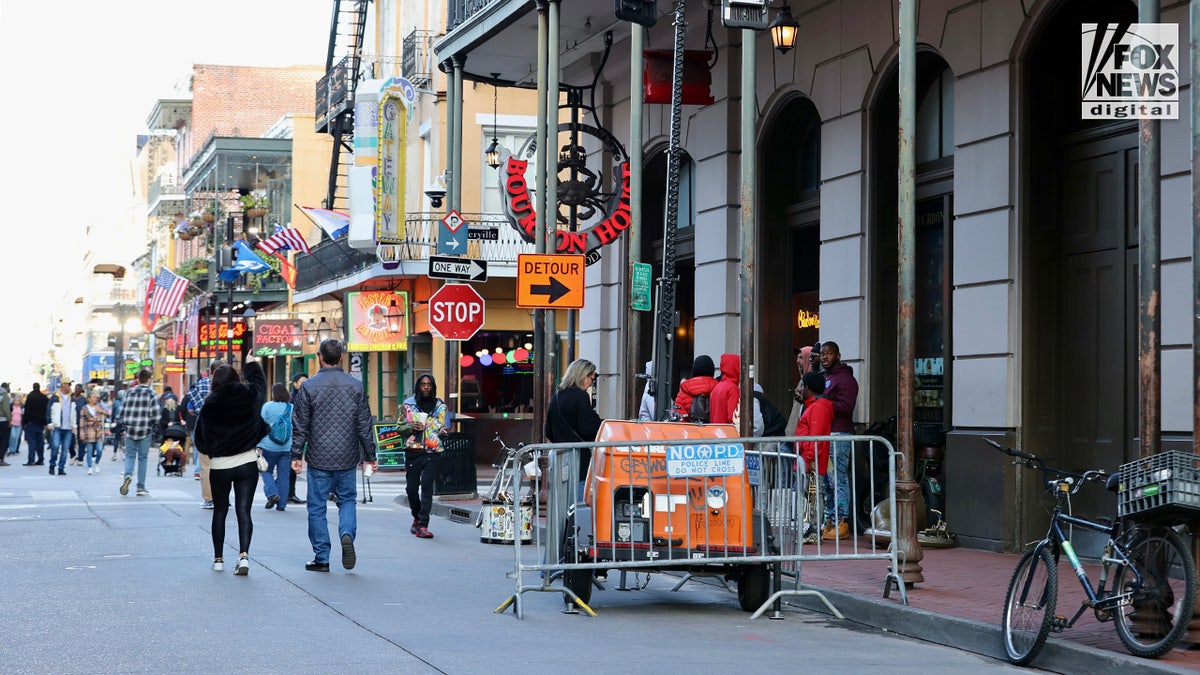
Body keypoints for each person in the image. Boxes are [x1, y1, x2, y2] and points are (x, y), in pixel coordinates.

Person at [290, 339, 375, 572]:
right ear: (341, 357)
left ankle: (322, 557)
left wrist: (296, 454)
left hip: (318, 456)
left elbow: (300, 424)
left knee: (316, 507)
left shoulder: (308, 386)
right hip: (347, 456)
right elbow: (364, 424)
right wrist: (370, 455)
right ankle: (346, 532)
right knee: (347, 500)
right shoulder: (355, 386)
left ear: (320, 357)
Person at [195, 360, 269, 576]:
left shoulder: (210, 404)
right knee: (244, 511)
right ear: (236, 378)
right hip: (246, 461)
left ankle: (218, 559)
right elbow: (259, 384)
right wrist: (251, 364)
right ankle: (244, 555)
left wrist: (213, 450)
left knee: (219, 511)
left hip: (220, 464)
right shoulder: (248, 395)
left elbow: (201, 439)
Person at [819, 340, 860, 541]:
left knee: (838, 479)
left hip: (839, 434)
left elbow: (846, 406)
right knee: (828, 481)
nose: (824, 357)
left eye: (829, 353)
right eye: (822, 354)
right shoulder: (825, 377)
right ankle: (830, 519)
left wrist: (822, 404)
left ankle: (841, 521)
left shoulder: (846, 380)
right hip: (826, 433)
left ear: (838, 355)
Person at [544, 358, 602, 499]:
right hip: (579, 458)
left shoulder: (557, 396)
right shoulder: (581, 396)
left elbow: (548, 430)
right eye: (591, 379)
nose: (591, 384)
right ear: (583, 375)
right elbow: (587, 429)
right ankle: (576, 522)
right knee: (578, 499)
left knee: (561, 501)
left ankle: (564, 522)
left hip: (560, 456)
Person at [401, 374, 449, 539]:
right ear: (418, 386)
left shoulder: (440, 406)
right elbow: (399, 428)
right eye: (423, 384)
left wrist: (443, 433)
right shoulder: (409, 405)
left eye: (429, 384)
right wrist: (410, 426)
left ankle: (423, 525)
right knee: (411, 489)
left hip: (433, 452)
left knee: (427, 489)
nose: (426, 387)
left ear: (433, 386)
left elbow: (446, 427)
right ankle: (416, 515)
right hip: (413, 451)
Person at [793, 372, 833, 543]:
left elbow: (815, 438)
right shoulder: (815, 406)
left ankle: (813, 531)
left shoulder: (817, 408)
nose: (800, 390)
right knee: (810, 496)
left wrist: (809, 460)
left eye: (802, 387)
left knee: (813, 496)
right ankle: (811, 530)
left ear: (807, 388)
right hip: (808, 460)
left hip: (810, 461)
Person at [117, 370, 162, 498]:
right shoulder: (152, 394)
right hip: (145, 430)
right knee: (143, 458)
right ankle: (141, 487)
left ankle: (128, 475)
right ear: (149, 380)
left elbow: (120, 413)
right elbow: (156, 415)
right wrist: (154, 424)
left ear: (138, 379)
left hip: (130, 429)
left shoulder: (129, 392)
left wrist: (125, 422)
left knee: (130, 456)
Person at [184, 361, 219, 508]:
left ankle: (209, 498)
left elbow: (189, 407)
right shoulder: (231, 387)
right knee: (223, 465)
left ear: (210, 371)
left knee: (206, 465)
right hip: (223, 430)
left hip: (205, 427)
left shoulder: (199, 385)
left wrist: (200, 408)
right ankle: (222, 497)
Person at [258, 383, 292, 511]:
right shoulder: (291, 408)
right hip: (287, 447)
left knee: (266, 471)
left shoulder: (267, 406)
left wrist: (258, 444)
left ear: (273, 394)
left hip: (269, 446)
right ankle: (282, 504)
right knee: (284, 476)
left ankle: (272, 493)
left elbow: (260, 425)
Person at [672, 355, 719, 421]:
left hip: (691, 431)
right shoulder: (719, 390)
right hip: (715, 430)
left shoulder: (683, 393)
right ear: (712, 371)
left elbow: (679, 421)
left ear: (694, 370)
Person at [46, 380, 76, 475]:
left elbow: (75, 413)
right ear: (63, 385)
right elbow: (48, 410)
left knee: (65, 449)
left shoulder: (72, 397)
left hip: (68, 427)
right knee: (55, 446)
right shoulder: (55, 397)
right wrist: (50, 423)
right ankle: (52, 465)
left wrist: (75, 425)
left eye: (70, 384)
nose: (70, 386)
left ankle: (61, 467)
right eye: (68, 384)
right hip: (57, 426)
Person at [286, 373, 307, 506]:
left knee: (292, 465)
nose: (305, 383)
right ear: (295, 384)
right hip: (295, 435)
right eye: (302, 381)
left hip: (303, 434)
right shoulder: (292, 398)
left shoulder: (309, 395)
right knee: (292, 464)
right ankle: (289, 493)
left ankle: (289, 493)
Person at [77, 392, 108, 474]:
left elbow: (108, 414)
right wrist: (82, 434)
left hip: (98, 431)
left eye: (96, 397)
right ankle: (90, 467)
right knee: (89, 450)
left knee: (99, 449)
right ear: (89, 399)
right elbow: (82, 422)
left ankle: (97, 462)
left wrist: (102, 411)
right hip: (89, 431)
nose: (95, 399)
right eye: (93, 397)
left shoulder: (99, 407)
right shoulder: (84, 409)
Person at [710, 353, 741, 424]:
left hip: (715, 432)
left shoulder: (717, 387)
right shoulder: (733, 389)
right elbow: (733, 418)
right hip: (728, 433)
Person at [22, 382, 49, 466]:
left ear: (33, 387)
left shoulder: (30, 397)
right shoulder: (44, 398)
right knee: (40, 442)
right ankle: (41, 459)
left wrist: (24, 422)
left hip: (31, 422)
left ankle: (31, 460)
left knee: (32, 442)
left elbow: (27, 410)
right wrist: (46, 422)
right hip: (41, 423)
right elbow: (47, 411)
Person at [8, 391, 23, 457]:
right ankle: (11, 449)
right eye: (15, 401)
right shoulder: (11, 407)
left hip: (19, 424)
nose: (17, 402)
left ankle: (14, 450)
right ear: (14, 401)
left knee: (17, 438)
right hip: (12, 424)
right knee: (12, 436)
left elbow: (23, 415)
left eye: (18, 401)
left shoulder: (21, 407)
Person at [0, 383, 10, 465]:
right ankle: (1, 459)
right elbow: (6, 410)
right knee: (4, 440)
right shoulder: (5, 396)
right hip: (3, 420)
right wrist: (9, 420)